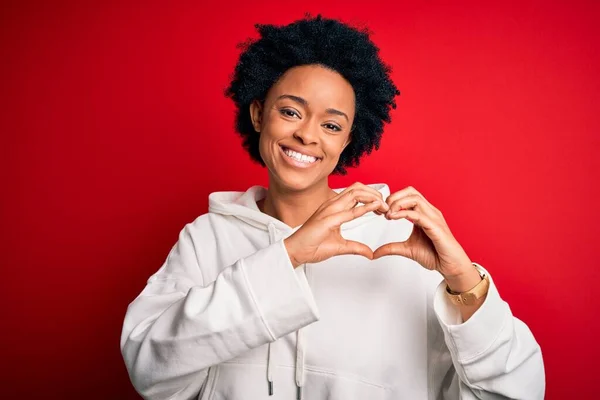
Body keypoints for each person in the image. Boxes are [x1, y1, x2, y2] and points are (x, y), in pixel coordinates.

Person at [120, 15, 545, 400]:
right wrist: (288, 255)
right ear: (258, 113)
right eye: (290, 111)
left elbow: (514, 393)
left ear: (347, 141)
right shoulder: (207, 239)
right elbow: (149, 367)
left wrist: (463, 280)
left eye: (331, 125)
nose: (307, 135)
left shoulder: (398, 243)